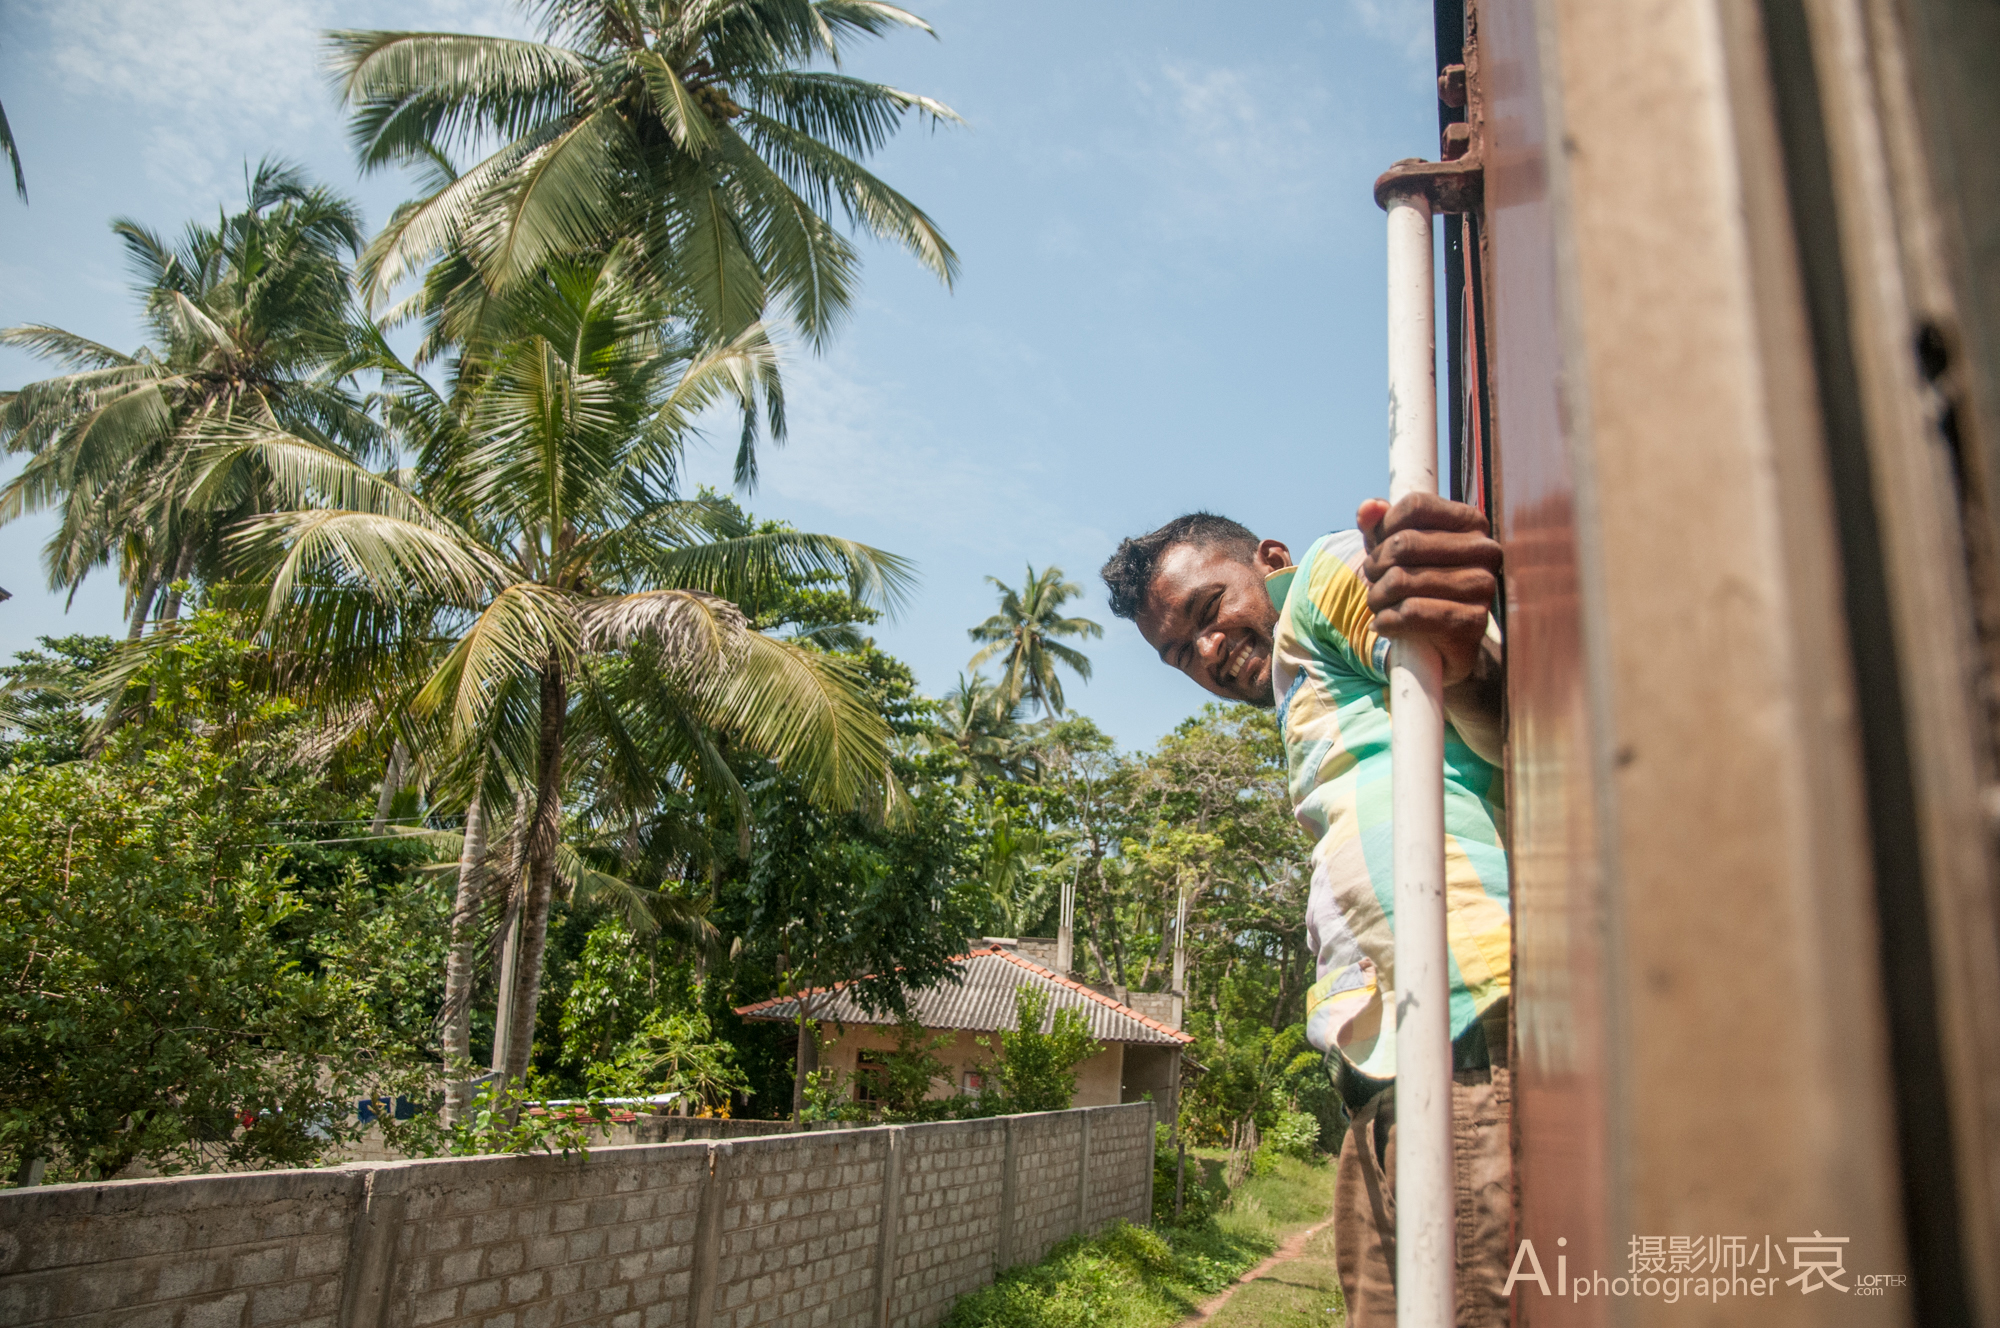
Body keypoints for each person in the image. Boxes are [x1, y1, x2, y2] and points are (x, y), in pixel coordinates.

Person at [1100, 494, 1510, 1328]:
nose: (1209, 651)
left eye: (1209, 611)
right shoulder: (1303, 702)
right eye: (1180, 654)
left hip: (1463, 1025)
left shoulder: (1320, 582)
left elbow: (1469, 664)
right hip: (1382, 1074)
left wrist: (1459, 641)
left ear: (1271, 562)